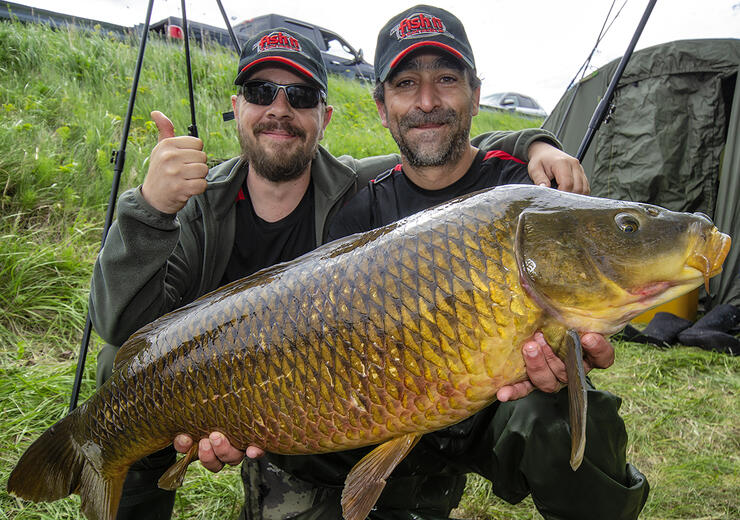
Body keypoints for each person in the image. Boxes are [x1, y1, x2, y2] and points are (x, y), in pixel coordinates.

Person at [89, 23, 613, 520]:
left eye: (299, 97)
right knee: (122, 369)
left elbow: (436, 144)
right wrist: (150, 208)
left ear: (325, 115)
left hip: (336, 379)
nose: (279, 110)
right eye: (260, 91)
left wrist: (537, 143)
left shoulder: (352, 189)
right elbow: (119, 323)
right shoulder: (195, 202)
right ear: (236, 107)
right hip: (230, 366)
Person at [320, 5, 649, 520]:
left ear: (475, 95)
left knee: (559, 419)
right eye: (406, 84)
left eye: (447, 79)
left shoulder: (528, 189)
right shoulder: (359, 212)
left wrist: (576, 352)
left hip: (500, 404)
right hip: (392, 401)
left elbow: (591, 287)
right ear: (382, 107)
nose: (427, 101)